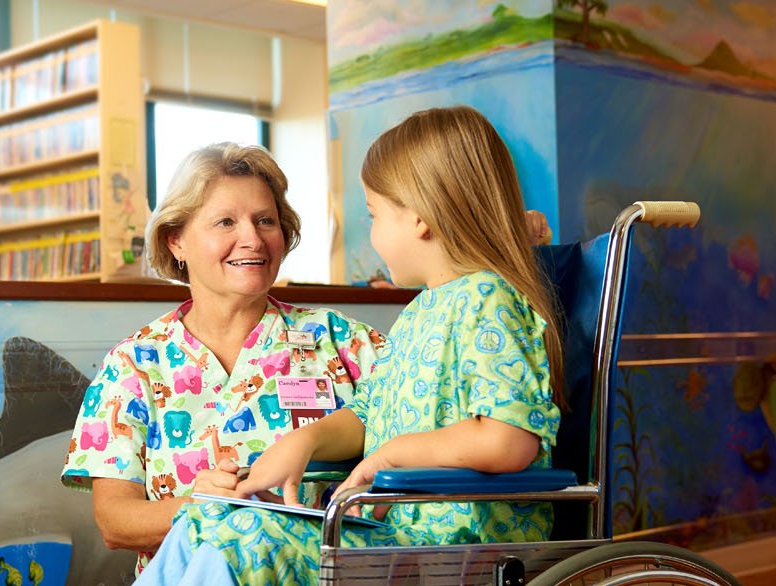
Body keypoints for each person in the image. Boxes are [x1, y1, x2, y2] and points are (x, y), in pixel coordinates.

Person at [137, 105, 566, 585]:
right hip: (399, 538)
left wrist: (389, 455)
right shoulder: (422, 312)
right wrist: (304, 440)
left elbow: (509, 440)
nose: (371, 232)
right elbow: (367, 413)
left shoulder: (487, 301)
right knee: (206, 520)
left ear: (421, 219)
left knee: (245, 539)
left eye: (374, 214)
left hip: (453, 549)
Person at [61, 143, 388, 575]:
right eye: (226, 222)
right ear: (175, 239)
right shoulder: (134, 364)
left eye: (265, 220)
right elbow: (114, 521)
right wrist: (199, 509)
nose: (252, 238)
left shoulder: (345, 343)